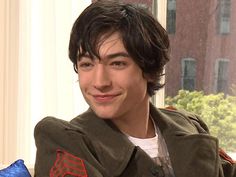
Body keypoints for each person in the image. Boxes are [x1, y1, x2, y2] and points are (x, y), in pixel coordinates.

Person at [34, 1, 236, 177]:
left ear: (149, 68)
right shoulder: (64, 140)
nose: (100, 82)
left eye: (117, 64)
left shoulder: (188, 125)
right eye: (87, 64)